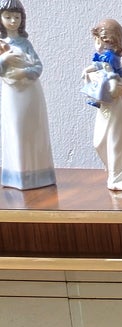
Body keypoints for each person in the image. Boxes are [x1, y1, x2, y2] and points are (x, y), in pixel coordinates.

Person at [81, 18, 122, 192]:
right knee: (99, 141)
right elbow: (97, 67)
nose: (98, 45)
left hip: (116, 108)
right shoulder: (102, 57)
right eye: (97, 40)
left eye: (103, 41)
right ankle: (115, 174)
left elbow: (121, 83)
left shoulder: (112, 58)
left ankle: (120, 177)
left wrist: (108, 81)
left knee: (116, 143)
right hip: (105, 108)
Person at [0, 0, 56, 190]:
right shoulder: (1, 44)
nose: (13, 21)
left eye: (17, 17)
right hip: (13, 93)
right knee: (16, 130)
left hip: (31, 92)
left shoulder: (25, 43)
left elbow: (38, 66)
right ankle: (17, 176)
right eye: (8, 17)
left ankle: (39, 175)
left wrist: (24, 72)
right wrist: (4, 58)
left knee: (34, 130)